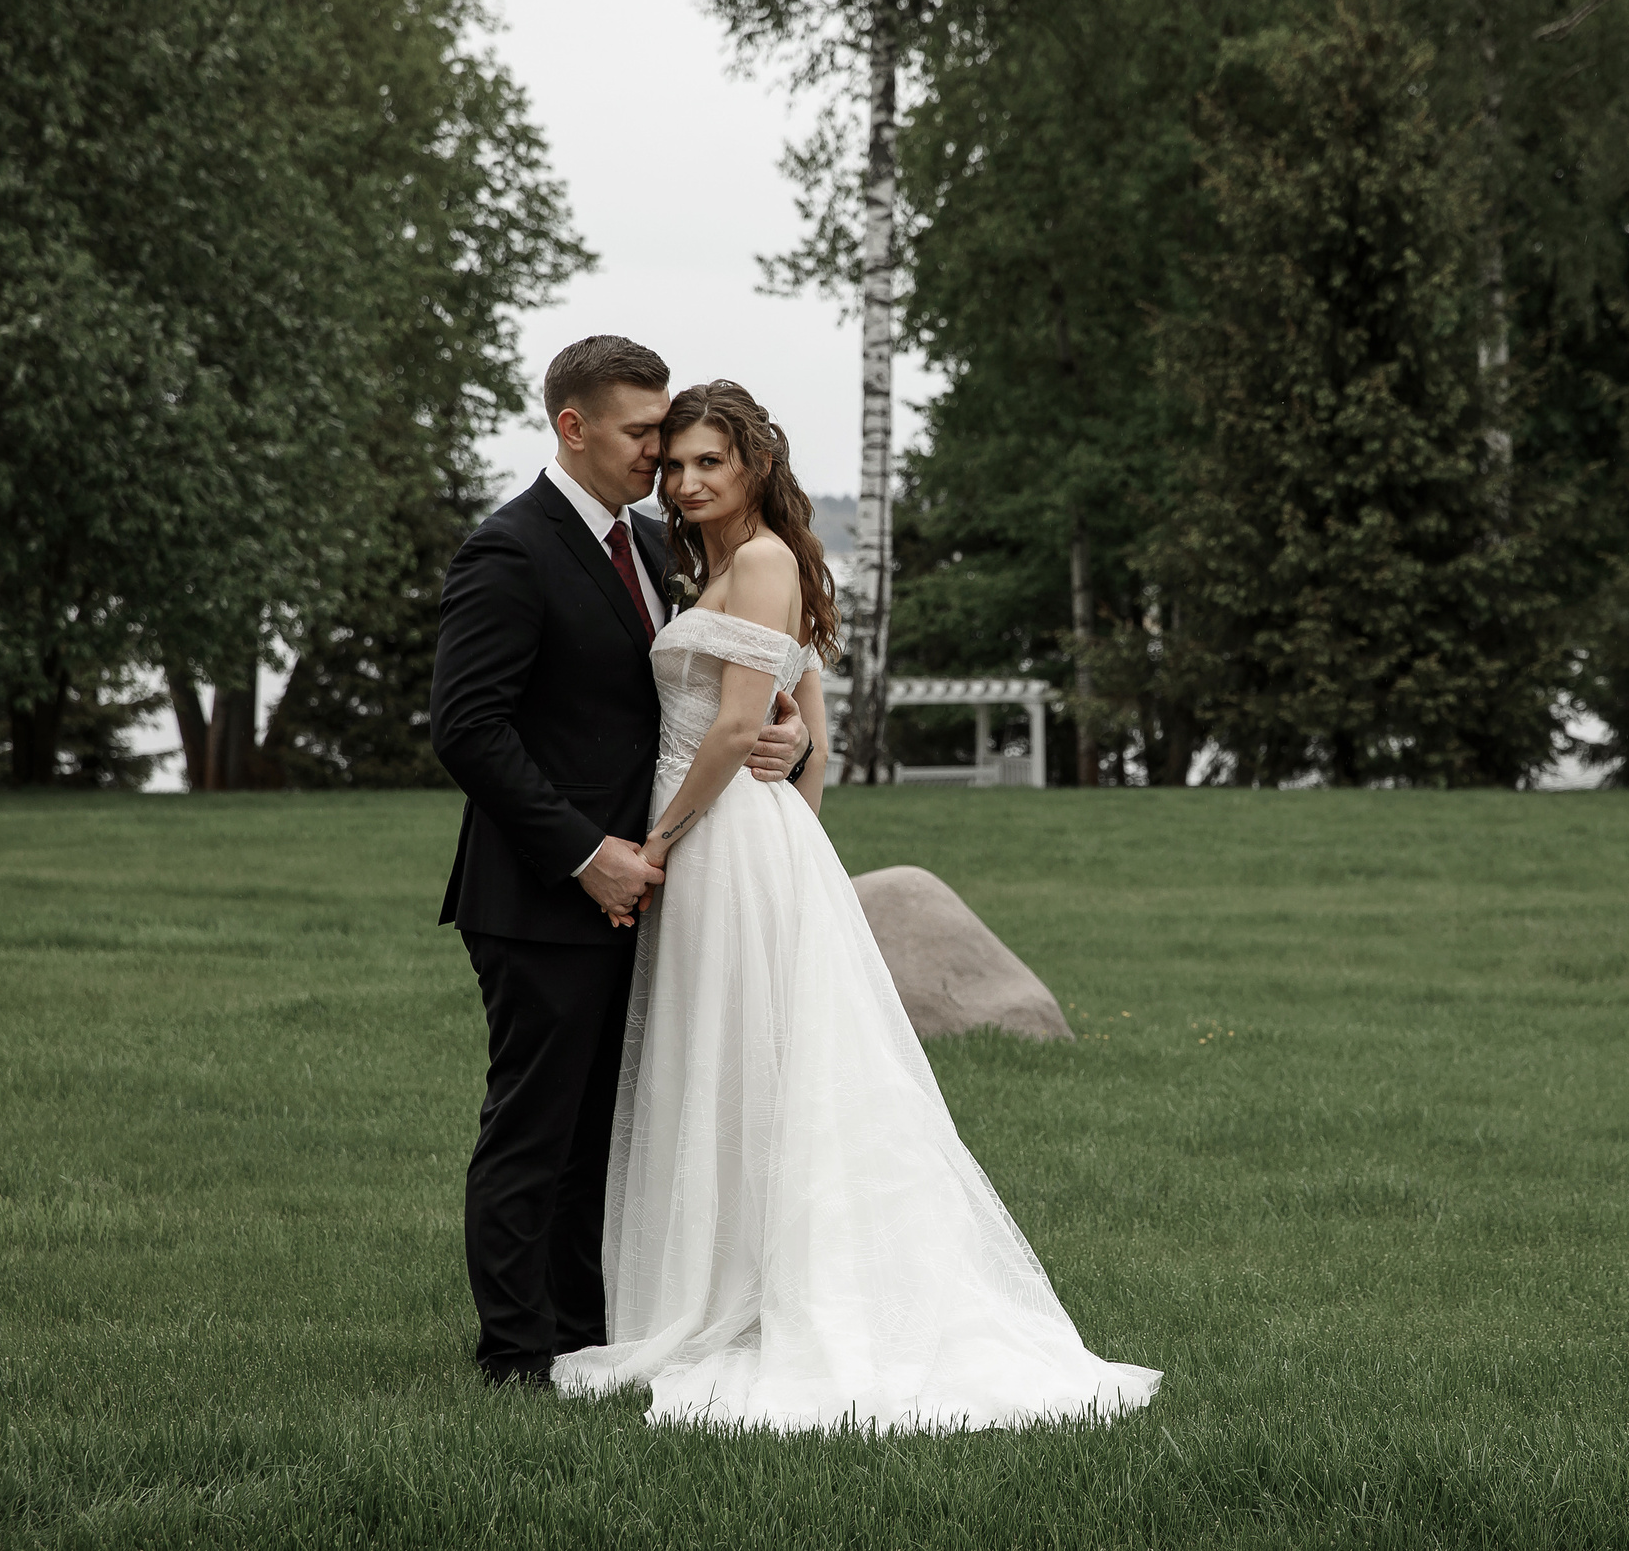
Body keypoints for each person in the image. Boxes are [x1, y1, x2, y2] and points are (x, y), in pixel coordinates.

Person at [549, 380, 1159, 1431]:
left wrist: (662, 842)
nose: (687, 482)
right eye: (678, 463)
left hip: (718, 835)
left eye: (711, 464)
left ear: (754, 467)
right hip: (737, 834)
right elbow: (809, 735)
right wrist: (788, 806)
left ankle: (772, 1289)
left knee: (755, 1055)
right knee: (729, 1054)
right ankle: (715, 1273)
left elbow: (750, 732)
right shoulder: (716, 565)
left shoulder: (771, 560)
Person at [430, 337, 811, 1389]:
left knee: (613, 1127)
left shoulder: (653, 542)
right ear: (573, 427)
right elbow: (466, 729)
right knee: (535, 1126)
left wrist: (794, 739)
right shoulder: (511, 549)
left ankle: (585, 1332)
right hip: (541, 891)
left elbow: (736, 685)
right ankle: (514, 1354)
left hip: (651, 887)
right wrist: (584, 852)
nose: (660, 455)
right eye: (643, 433)